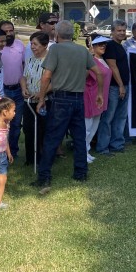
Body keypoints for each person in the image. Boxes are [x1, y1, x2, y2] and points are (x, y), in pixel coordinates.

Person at [32, 21, 104, 193]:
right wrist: (100, 93)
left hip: (60, 100)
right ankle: (81, 173)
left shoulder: (55, 49)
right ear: (72, 34)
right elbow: (98, 72)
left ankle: (44, 177)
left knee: (52, 138)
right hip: (78, 99)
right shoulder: (82, 50)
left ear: (57, 34)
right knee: (79, 138)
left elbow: (46, 76)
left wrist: (41, 98)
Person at [96, 20, 130, 156]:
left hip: (124, 86)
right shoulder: (110, 46)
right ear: (112, 32)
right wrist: (121, 85)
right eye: (119, 31)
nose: (121, 33)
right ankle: (103, 147)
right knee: (108, 118)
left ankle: (117, 144)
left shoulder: (120, 46)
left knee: (121, 117)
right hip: (114, 88)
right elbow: (112, 66)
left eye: (123, 30)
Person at [0, 20, 25, 160]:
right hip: (3, 92)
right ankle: (1, 152)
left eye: (11, 30)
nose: (9, 34)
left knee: (16, 124)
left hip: (18, 91)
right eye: (5, 31)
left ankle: (13, 152)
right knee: (2, 124)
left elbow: (25, 65)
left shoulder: (20, 45)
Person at [20, 31, 49, 167]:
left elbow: (55, 82)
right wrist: (24, 88)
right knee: (28, 128)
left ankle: (43, 158)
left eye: (35, 44)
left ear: (44, 45)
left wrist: (41, 93)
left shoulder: (50, 60)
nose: (32, 47)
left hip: (44, 100)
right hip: (29, 101)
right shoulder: (30, 59)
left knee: (43, 129)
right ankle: (30, 158)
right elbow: (24, 76)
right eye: (31, 44)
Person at [84, 34, 112, 157]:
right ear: (92, 46)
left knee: (94, 126)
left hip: (101, 98)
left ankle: (87, 150)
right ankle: (83, 152)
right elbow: (84, 77)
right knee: (87, 127)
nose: (103, 46)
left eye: (104, 44)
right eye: (99, 44)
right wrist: (88, 57)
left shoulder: (103, 60)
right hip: (90, 97)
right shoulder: (90, 60)